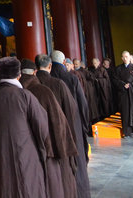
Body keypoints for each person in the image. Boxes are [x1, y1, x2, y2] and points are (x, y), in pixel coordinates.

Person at [0, 57, 49, 198]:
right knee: (27, 187)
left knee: (2, 187)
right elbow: (41, 126)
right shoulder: (26, 96)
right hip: (26, 154)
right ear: (19, 75)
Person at [20, 59, 78, 198]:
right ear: (34, 72)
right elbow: (61, 120)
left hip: (21, 154)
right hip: (49, 148)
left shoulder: (12, 92)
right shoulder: (45, 90)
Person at [36, 54, 90, 198]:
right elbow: (81, 104)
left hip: (45, 131)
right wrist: (84, 125)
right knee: (73, 164)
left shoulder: (35, 83)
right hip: (72, 126)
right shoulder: (70, 78)